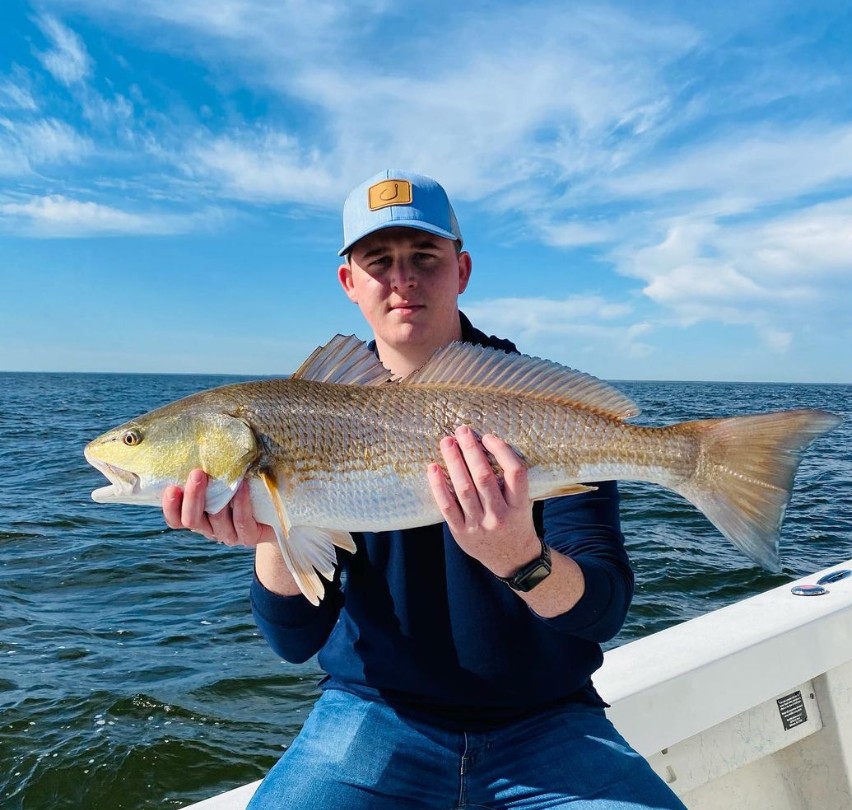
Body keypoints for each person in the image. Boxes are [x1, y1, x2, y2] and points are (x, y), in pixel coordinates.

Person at [162, 169, 686, 809]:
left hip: (549, 722)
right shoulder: (302, 409)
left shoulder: (533, 406)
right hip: (373, 716)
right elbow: (295, 642)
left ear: (461, 270)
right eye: (379, 261)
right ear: (349, 283)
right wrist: (276, 533)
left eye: (425, 258)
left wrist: (520, 560)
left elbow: (601, 614)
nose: (402, 278)